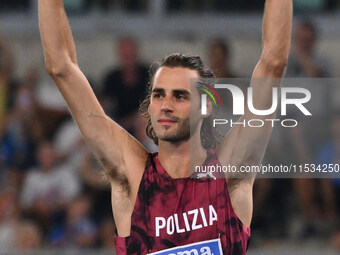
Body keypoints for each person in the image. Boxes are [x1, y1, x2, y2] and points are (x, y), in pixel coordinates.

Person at [38, 0, 292, 254]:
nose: (165, 105)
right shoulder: (134, 175)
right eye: (158, 95)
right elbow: (61, 68)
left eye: (180, 96)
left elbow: (273, 64)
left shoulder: (228, 173)